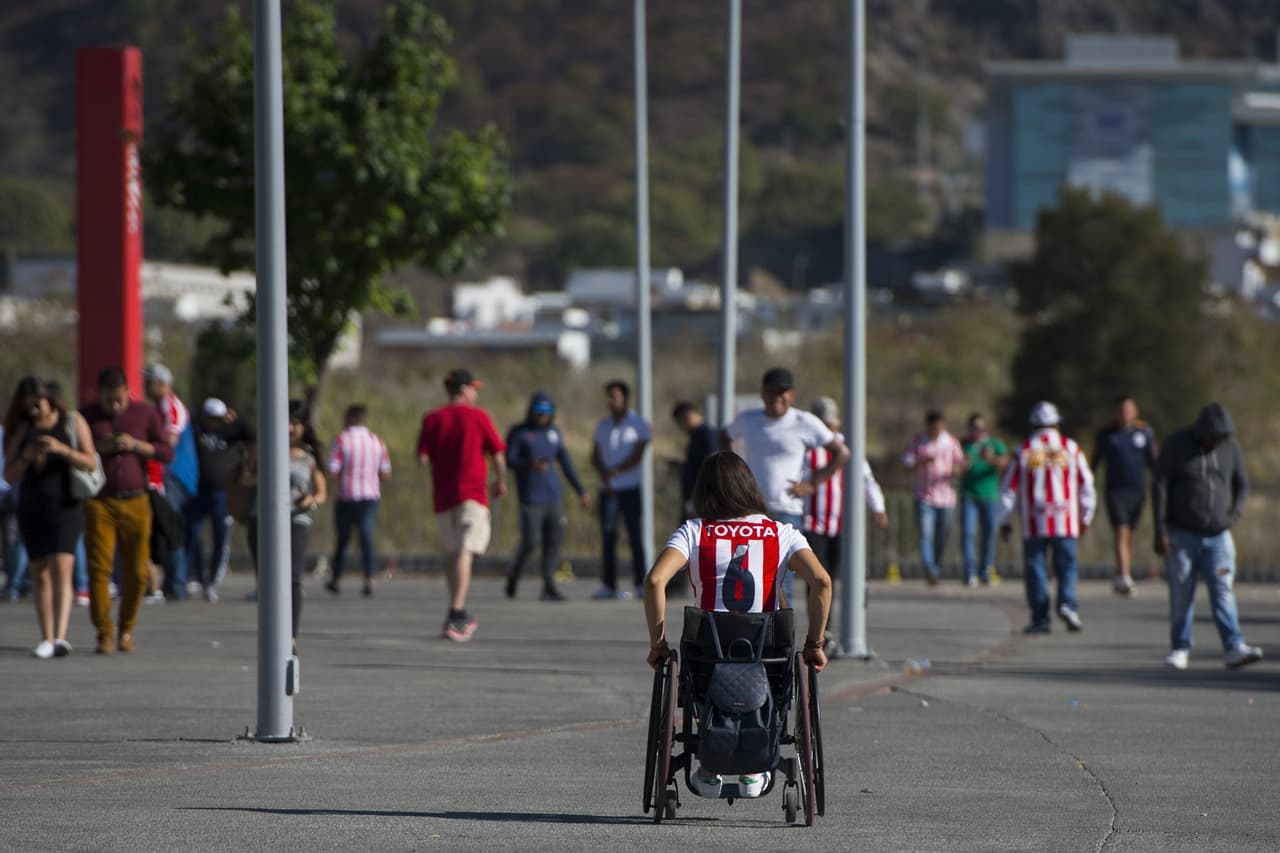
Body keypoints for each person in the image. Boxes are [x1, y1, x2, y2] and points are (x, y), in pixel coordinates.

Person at [643, 451, 832, 799]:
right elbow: (821, 581)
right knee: (776, 661)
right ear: (749, 487)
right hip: (767, 659)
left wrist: (658, 644)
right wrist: (814, 644)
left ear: (704, 490)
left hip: (707, 659)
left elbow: (655, 580)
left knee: (699, 677)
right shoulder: (781, 533)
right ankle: (756, 765)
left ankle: (710, 766)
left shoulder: (694, 531)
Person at [724, 368, 850, 603]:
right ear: (762, 394)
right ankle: (756, 623)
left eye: (782, 392)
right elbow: (724, 437)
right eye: (771, 392)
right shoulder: (747, 419)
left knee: (782, 579)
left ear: (791, 395)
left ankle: (782, 626)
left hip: (786, 511)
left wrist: (813, 483)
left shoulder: (804, 421)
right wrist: (733, 475)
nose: (776, 398)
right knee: (747, 573)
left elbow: (841, 453)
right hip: (751, 510)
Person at [1152, 403, 1261, 671]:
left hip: (1218, 536)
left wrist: (1234, 514)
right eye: (1215, 435)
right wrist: (1160, 529)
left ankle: (1234, 647)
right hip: (1181, 535)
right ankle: (1180, 648)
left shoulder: (1230, 447)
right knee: (1181, 594)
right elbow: (1160, 484)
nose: (1218, 440)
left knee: (1223, 591)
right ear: (1202, 431)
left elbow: (1242, 483)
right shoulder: (1176, 444)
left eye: (1223, 436)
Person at [2, 377, 98, 658]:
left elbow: (91, 460)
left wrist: (61, 449)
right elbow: (8, 476)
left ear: (49, 400)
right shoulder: (22, 429)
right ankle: (46, 637)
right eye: (28, 406)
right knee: (39, 571)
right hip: (33, 506)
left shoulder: (71, 421)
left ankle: (60, 637)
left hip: (66, 505)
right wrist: (27, 456)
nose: (33, 411)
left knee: (62, 567)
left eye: (38, 405)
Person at [80, 367, 173, 654]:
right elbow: (76, 450)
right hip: (99, 500)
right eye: (109, 400)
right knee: (99, 568)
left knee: (137, 571)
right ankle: (104, 632)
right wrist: (100, 446)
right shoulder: (86, 416)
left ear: (127, 393)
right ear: (100, 394)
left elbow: (166, 451)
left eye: (120, 399)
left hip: (137, 500)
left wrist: (136, 445)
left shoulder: (144, 413)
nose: (115, 405)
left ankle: (127, 628)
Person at [416, 369, 506, 641]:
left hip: (443, 496)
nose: (476, 394)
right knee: (466, 550)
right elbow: (497, 454)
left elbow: (422, 458)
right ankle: (456, 612)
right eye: (474, 389)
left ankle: (458, 607)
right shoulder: (478, 417)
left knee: (454, 552)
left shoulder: (433, 418)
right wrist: (500, 481)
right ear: (464, 390)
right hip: (472, 494)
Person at [997, 402, 1096, 634]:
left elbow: (1008, 490)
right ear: (1056, 423)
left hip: (1034, 521)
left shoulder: (1024, 450)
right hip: (1065, 519)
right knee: (1067, 565)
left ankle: (1041, 619)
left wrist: (1004, 521)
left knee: (1036, 569)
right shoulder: (1070, 448)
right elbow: (1086, 485)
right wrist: (1086, 516)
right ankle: (1067, 604)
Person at [245, 401, 326, 652]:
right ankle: (270, 632)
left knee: (293, 577)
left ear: (304, 427)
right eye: (286, 422)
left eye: (295, 423)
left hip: (296, 518)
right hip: (263, 518)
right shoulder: (265, 447)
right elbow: (246, 479)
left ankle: (290, 636)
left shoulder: (310, 456)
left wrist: (310, 501)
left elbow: (321, 492)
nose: (290, 428)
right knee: (265, 579)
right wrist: (264, 468)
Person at [504, 391, 588, 602]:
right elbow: (509, 460)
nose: (542, 415)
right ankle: (513, 575)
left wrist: (580, 490)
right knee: (531, 541)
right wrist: (529, 464)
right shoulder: (519, 432)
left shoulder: (554, 433)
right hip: (530, 498)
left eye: (547, 411)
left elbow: (566, 463)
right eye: (538, 410)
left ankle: (549, 585)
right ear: (531, 410)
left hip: (553, 496)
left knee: (554, 541)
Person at [802, 396, 887, 583]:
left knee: (833, 572)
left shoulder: (848, 446)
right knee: (817, 575)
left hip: (842, 522)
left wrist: (878, 507)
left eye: (828, 424)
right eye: (821, 424)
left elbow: (866, 479)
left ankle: (829, 602)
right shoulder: (807, 446)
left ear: (837, 422)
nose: (826, 429)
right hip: (811, 522)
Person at [185, 398, 253, 603]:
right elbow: (186, 422)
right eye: (210, 418)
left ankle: (212, 582)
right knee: (192, 534)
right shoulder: (196, 432)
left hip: (220, 493)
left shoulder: (227, 433)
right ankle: (192, 575)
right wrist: (198, 414)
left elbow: (249, 434)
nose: (213, 422)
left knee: (221, 538)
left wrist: (234, 420)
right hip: (197, 492)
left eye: (217, 419)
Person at [590, 380, 652, 601]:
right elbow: (595, 454)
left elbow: (638, 455)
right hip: (608, 490)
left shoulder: (638, 424)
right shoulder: (603, 425)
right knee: (608, 537)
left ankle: (640, 583)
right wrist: (604, 474)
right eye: (608, 397)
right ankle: (609, 584)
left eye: (614, 396)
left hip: (630, 489)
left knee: (635, 536)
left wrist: (616, 471)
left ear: (625, 398)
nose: (610, 401)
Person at [1091, 396, 1158, 596]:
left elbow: (1154, 463)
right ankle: (1124, 575)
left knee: (1130, 533)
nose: (1125, 413)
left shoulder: (1144, 433)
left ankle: (1122, 571)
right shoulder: (1106, 434)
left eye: (1129, 409)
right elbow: (1094, 463)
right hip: (1115, 491)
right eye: (1121, 410)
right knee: (1121, 530)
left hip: (1137, 491)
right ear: (1116, 412)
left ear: (1135, 411)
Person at [143, 364, 197, 601]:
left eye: (149, 382)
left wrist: (142, 446)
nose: (145, 386)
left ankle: (176, 584)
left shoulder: (170, 406)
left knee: (169, 527)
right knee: (166, 528)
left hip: (174, 475)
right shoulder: (161, 406)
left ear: (161, 384)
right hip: (169, 475)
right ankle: (172, 582)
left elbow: (168, 442)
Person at [325, 404, 391, 597]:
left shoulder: (341, 440)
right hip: (370, 497)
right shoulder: (376, 441)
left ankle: (336, 578)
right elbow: (386, 472)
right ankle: (369, 577)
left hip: (346, 496)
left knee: (343, 540)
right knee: (366, 537)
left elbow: (332, 469)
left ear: (349, 418)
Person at [902, 410, 965, 586]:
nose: (936, 431)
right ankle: (929, 568)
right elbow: (906, 463)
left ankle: (936, 566)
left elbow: (961, 464)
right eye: (933, 428)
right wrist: (920, 462)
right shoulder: (918, 441)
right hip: (924, 497)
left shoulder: (951, 442)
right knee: (925, 534)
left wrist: (956, 470)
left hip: (946, 498)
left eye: (939, 428)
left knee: (942, 535)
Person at [959, 412, 1008, 587]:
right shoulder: (963, 445)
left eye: (981, 428)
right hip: (969, 496)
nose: (978, 431)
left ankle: (985, 570)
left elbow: (1006, 464)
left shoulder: (995, 445)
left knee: (989, 534)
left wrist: (991, 458)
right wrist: (963, 466)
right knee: (968, 533)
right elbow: (954, 466)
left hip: (989, 495)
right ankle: (970, 572)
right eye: (975, 428)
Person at [671, 400, 717, 521]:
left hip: (701, 496)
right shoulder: (696, 436)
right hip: (694, 494)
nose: (681, 427)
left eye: (680, 422)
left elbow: (712, 464)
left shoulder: (706, 435)